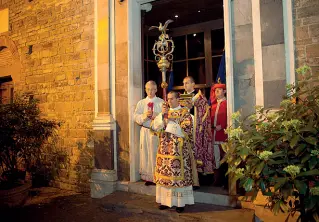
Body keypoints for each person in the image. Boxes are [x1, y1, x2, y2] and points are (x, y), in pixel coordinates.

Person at [151, 91, 198, 213]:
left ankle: (180, 203)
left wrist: (169, 124)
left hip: (178, 151)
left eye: (172, 99)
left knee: (177, 178)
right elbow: (155, 127)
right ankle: (166, 202)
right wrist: (163, 116)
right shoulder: (164, 113)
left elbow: (186, 131)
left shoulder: (185, 114)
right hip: (164, 151)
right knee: (165, 177)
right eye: (168, 99)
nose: (169, 101)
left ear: (178, 100)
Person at [182, 76, 214, 177]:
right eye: (184, 83)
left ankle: (198, 177)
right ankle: (187, 176)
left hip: (196, 129)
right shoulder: (181, 97)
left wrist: (192, 105)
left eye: (187, 83)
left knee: (197, 151)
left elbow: (204, 112)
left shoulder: (200, 97)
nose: (185, 85)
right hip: (185, 129)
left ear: (193, 84)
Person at [134, 81, 164, 186]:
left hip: (156, 132)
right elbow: (135, 117)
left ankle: (158, 176)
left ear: (156, 90)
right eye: (148, 89)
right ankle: (148, 177)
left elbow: (165, 117)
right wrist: (144, 116)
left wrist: (157, 115)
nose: (150, 91)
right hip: (145, 131)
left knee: (155, 152)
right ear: (145, 89)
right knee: (146, 153)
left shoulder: (161, 102)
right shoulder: (141, 103)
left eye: (152, 89)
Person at [210, 80, 228, 187]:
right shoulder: (213, 105)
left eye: (219, 90)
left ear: (224, 91)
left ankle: (227, 181)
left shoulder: (227, 104)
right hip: (214, 135)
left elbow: (228, 117)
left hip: (223, 135)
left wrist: (222, 126)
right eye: (215, 90)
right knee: (216, 157)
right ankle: (217, 180)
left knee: (226, 157)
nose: (216, 92)